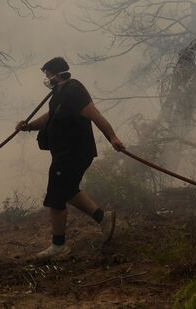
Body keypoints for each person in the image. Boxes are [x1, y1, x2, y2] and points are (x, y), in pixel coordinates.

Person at [17, 56, 125, 260]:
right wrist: (29, 126)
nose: (46, 79)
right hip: (65, 153)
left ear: (57, 74)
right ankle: (104, 219)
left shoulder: (73, 90)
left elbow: (95, 114)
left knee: (56, 196)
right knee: (68, 190)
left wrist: (112, 137)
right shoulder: (59, 94)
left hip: (73, 153)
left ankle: (59, 247)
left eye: (47, 75)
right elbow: (51, 116)